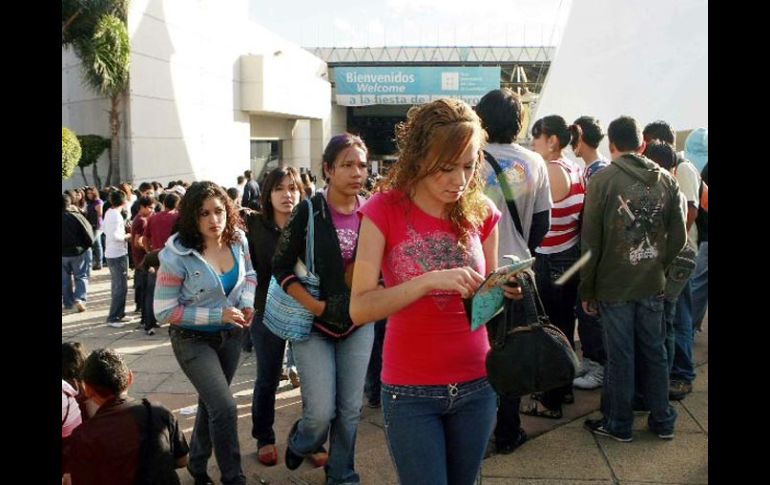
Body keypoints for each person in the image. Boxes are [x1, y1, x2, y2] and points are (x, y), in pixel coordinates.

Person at [350, 98, 522, 485]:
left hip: (478, 382)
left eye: (468, 165)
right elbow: (359, 308)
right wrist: (428, 281)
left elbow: (487, 304)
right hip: (410, 391)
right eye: (446, 168)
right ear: (418, 158)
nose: (458, 180)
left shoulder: (481, 212)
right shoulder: (383, 210)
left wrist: (504, 289)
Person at [272, 133, 374, 483]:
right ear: (329, 169)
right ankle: (303, 441)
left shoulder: (372, 211)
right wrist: (316, 306)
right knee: (320, 412)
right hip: (313, 324)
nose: (357, 172)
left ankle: (342, 474)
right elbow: (281, 266)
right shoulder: (309, 211)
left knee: (349, 410)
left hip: (359, 322)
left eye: (361, 164)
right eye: (347, 165)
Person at [580, 116, 685, 442]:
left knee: (620, 355)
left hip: (613, 284)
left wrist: (588, 288)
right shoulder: (666, 180)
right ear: (642, 144)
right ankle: (663, 419)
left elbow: (591, 243)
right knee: (655, 351)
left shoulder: (602, 181)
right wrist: (659, 265)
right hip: (652, 281)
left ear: (611, 145)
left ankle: (619, 423)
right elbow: (679, 236)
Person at [155, 181, 256, 485]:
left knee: (212, 402)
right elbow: (163, 311)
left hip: (232, 335)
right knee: (225, 406)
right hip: (191, 340)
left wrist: (247, 303)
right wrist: (218, 313)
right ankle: (233, 477)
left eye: (219, 211)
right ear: (191, 217)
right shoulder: (177, 254)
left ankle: (197, 464)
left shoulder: (238, 239)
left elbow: (250, 274)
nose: (214, 219)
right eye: (204, 213)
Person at [475, 88, 552, 454]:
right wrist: (521, 250)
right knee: (512, 353)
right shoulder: (535, 162)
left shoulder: (469, 160)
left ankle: (470, 427)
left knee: (475, 351)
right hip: (517, 271)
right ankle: (507, 431)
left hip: (475, 272)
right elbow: (542, 222)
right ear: (519, 121)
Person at [523, 115, 585, 419]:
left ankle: (550, 400)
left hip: (550, 259)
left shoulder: (549, 170)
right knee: (563, 326)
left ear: (553, 141)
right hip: (570, 255)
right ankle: (564, 388)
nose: (533, 143)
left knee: (549, 330)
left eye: (537, 137)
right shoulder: (575, 167)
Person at [244, 166, 304, 466]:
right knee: (267, 378)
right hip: (266, 312)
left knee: (309, 377)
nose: (287, 194)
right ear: (267, 194)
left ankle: (309, 437)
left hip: (305, 311)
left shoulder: (308, 224)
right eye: (280, 188)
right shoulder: (254, 225)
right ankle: (264, 437)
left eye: (292, 188)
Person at [63, 348, 189, 485]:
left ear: (87, 390)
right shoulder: (158, 412)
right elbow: (182, 460)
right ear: (130, 378)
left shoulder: (84, 436)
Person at [568, 116, 610, 390]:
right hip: (587, 253)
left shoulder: (598, 173)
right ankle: (591, 360)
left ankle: (598, 366)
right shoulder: (591, 169)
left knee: (590, 312)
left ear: (580, 136)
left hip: (592, 255)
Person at [103, 189, 132, 327]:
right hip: (117, 254)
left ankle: (119, 314)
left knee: (118, 286)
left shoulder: (109, 212)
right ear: (124, 201)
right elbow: (115, 236)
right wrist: (127, 237)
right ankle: (114, 317)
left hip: (112, 253)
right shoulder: (115, 215)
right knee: (120, 287)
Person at [62, 193, 95, 313]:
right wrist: (87, 246)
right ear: (69, 203)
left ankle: (67, 303)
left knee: (64, 279)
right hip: (78, 252)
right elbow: (88, 232)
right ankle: (79, 299)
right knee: (81, 276)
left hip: (63, 255)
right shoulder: (76, 216)